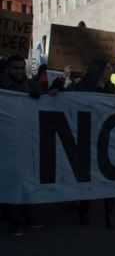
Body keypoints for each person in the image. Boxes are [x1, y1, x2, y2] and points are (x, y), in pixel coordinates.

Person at [0, 54, 44, 237]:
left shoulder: (32, 85)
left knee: (29, 179)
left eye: (21, 68)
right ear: (8, 69)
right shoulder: (2, 88)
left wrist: (48, 93)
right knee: (14, 180)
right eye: (15, 68)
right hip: (7, 142)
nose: (19, 72)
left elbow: (46, 101)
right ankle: (16, 221)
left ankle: (29, 215)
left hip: (29, 140)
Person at [74, 59, 115, 228]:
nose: (110, 70)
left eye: (110, 67)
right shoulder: (83, 86)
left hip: (106, 137)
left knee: (110, 176)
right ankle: (84, 211)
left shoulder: (110, 87)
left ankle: (109, 213)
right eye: (107, 67)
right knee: (87, 177)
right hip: (87, 137)